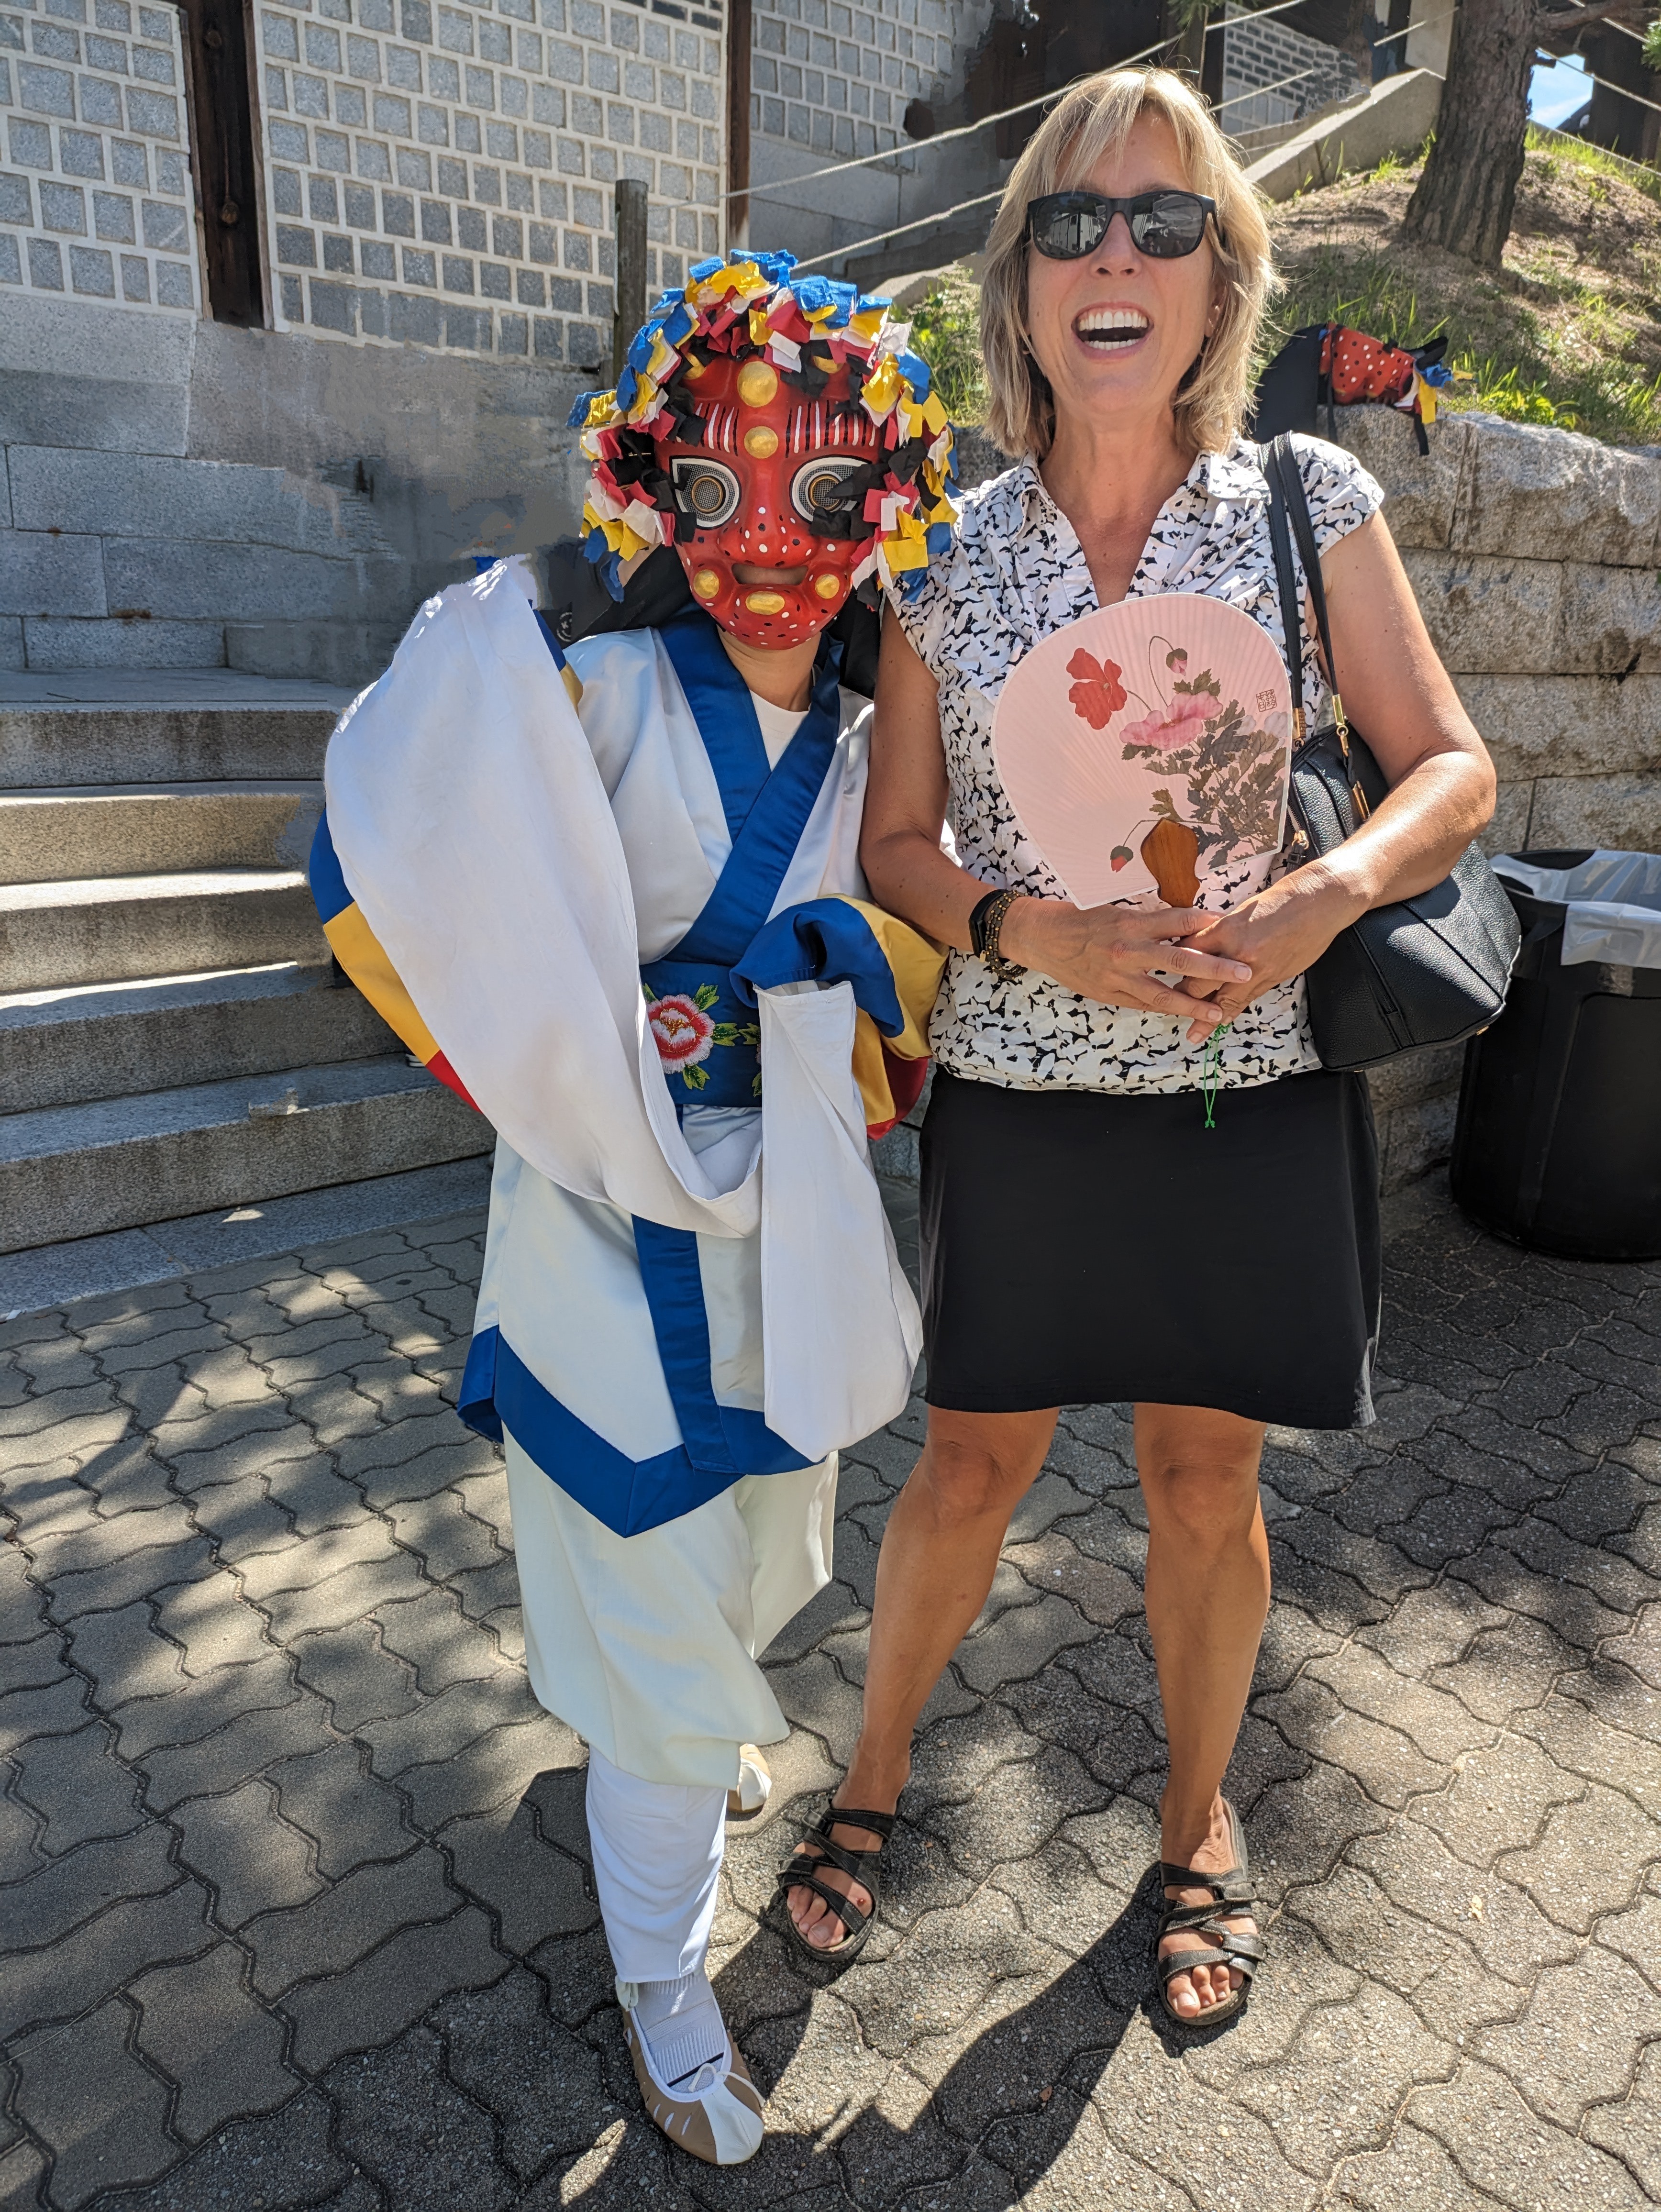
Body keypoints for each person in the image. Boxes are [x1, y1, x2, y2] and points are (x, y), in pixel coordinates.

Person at [777, 69, 1497, 2027]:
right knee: (966, 1476)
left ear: (1220, 277)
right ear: (1018, 284)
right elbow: (899, 846)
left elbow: (1453, 767)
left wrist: (1321, 894)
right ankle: (870, 1782)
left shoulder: (1302, 502)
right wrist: (1037, 932)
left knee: (1204, 1485)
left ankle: (1196, 1829)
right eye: (1072, 224)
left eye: (1163, 223)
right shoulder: (942, 545)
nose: (1116, 254)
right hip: (1023, 1093)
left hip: (1244, 1098)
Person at [307, 252, 956, 2159]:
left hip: (787, 1238)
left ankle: (663, 1746)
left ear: (877, 510)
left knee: (753, 1557)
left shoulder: (866, 750)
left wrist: (822, 972)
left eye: (826, 496)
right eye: (721, 488)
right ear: (656, 490)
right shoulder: (586, 692)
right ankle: (667, 1978)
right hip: (601, 1232)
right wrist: (552, 1062)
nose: (772, 536)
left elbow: (910, 969)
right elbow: (400, 856)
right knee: (660, 1622)